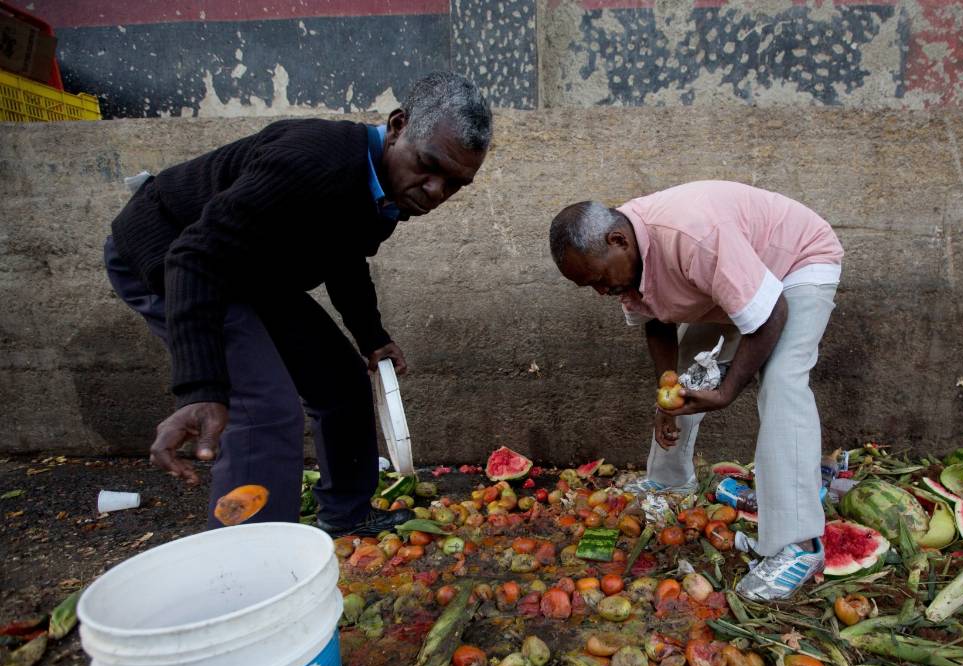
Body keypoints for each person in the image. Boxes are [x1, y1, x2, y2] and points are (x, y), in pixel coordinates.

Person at [106, 72, 491, 535]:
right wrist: (201, 387)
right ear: (398, 125)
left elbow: (344, 255)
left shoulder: (388, 190)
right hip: (173, 253)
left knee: (342, 378)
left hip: (250, 269)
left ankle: (346, 516)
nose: (435, 191)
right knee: (263, 408)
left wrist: (371, 337)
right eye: (428, 165)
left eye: (454, 184)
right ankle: (252, 568)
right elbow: (194, 256)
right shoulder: (310, 162)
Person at [548, 181, 842, 600]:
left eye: (599, 279)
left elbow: (771, 313)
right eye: (589, 286)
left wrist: (727, 392)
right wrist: (666, 395)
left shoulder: (694, 236)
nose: (601, 291)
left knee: (781, 379)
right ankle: (670, 483)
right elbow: (657, 321)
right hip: (733, 279)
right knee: (686, 373)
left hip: (795, 262)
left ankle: (798, 544)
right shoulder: (624, 255)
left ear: (618, 241)